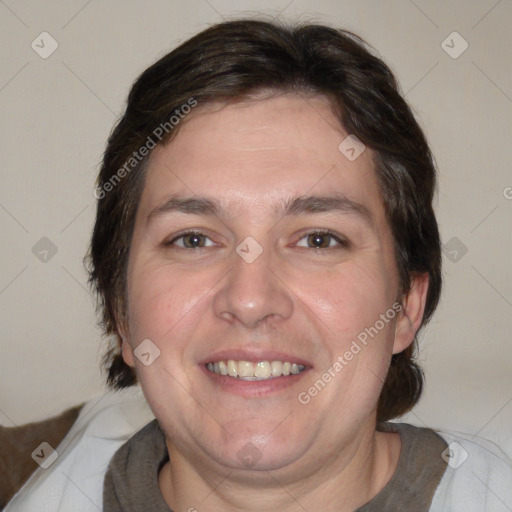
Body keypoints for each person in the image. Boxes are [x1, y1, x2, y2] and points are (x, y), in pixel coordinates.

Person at [10, 18, 510, 512]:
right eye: (193, 239)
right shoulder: (36, 476)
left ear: (406, 306)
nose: (250, 299)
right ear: (120, 308)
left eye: (318, 239)